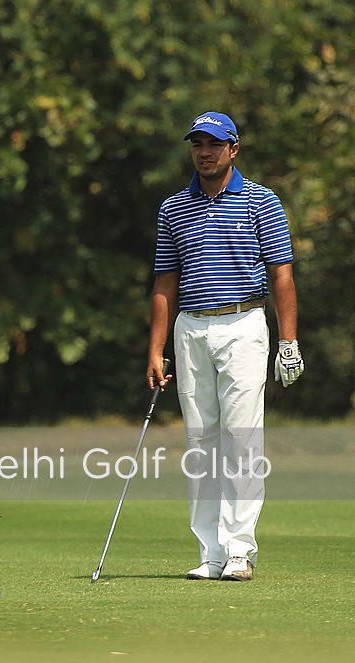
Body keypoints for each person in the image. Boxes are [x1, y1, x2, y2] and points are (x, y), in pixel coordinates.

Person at [147, 111, 304, 582]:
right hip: (190, 328)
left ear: (233, 148)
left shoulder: (262, 202)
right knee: (201, 443)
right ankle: (210, 553)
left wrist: (289, 342)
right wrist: (156, 350)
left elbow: (282, 275)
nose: (204, 151)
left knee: (240, 439)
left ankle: (240, 550)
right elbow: (164, 282)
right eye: (197, 143)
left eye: (214, 143)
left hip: (244, 325)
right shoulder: (172, 208)